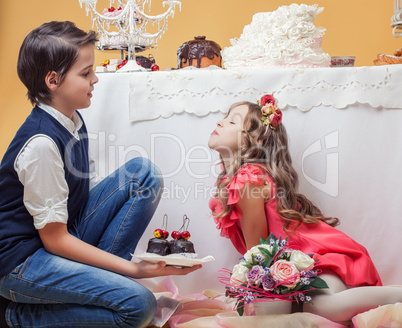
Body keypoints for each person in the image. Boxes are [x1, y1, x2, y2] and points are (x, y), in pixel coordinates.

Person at [0, 21, 200, 328]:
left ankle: (107, 283)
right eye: (85, 73)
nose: (95, 79)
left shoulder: (72, 118)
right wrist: (134, 271)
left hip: (59, 235)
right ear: (53, 80)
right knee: (140, 306)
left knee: (142, 174)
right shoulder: (40, 144)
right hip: (22, 261)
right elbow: (55, 241)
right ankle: (16, 316)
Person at [208, 95, 402, 323]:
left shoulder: (248, 178)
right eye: (224, 118)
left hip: (323, 258)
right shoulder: (242, 179)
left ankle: (396, 294)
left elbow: (259, 250)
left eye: (233, 121)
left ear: (253, 140)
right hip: (300, 269)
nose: (220, 122)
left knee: (326, 308)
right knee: (309, 311)